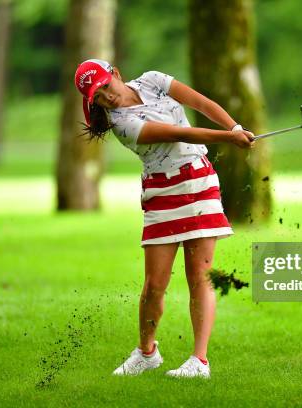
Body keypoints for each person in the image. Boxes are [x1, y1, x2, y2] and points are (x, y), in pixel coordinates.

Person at [74, 59, 254, 379]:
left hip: (199, 182)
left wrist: (234, 127)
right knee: (155, 285)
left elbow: (199, 102)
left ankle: (199, 361)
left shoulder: (153, 80)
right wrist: (228, 139)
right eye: (97, 97)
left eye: (106, 87)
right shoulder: (121, 125)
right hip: (162, 192)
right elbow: (176, 133)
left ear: (116, 74)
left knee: (200, 277)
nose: (106, 97)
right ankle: (147, 352)